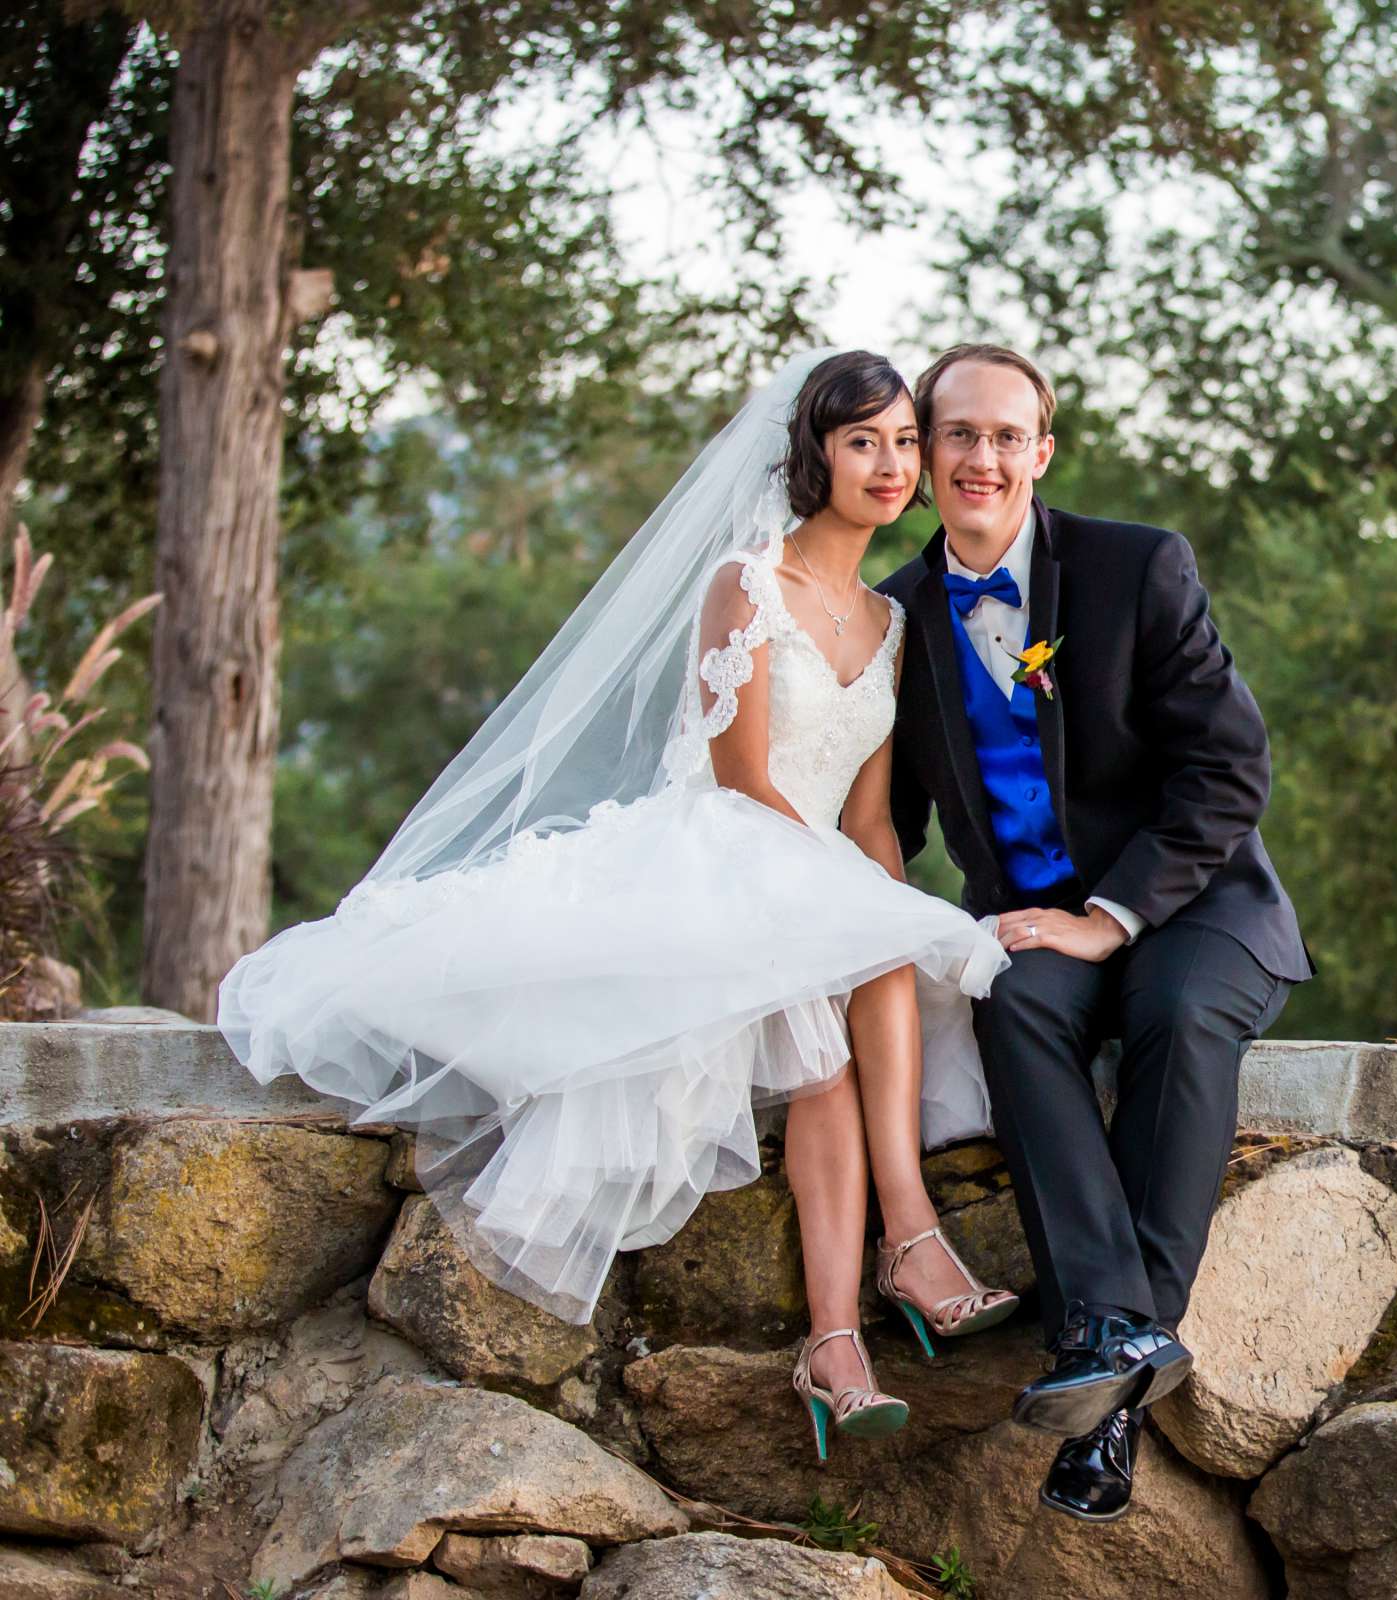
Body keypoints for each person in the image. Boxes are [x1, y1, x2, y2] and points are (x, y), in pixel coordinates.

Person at [217, 349, 1016, 1462]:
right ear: (814, 456)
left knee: (880, 947)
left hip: (819, 871)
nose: (887, 466)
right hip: (725, 851)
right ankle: (900, 1261)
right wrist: (848, 899)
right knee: (832, 1031)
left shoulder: (888, 624)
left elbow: (873, 820)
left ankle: (844, 1337)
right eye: (859, 442)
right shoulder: (747, 583)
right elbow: (741, 778)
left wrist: (875, 897)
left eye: (898, 443)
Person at [876, 344, 1312, 1521]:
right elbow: (885, 826)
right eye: (958, 434)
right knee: (1012, 1005)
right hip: (1025, 922)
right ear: (925, 454)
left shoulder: (1137, 567)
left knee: (1175, 1012)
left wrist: (1111, 915)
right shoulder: (895, 621)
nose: (983, 458)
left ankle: (1103, 1362)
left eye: (1007, 436)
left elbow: (1230, 770)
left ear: (1042, 453)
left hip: (1192, 903)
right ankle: (1121, 1342)